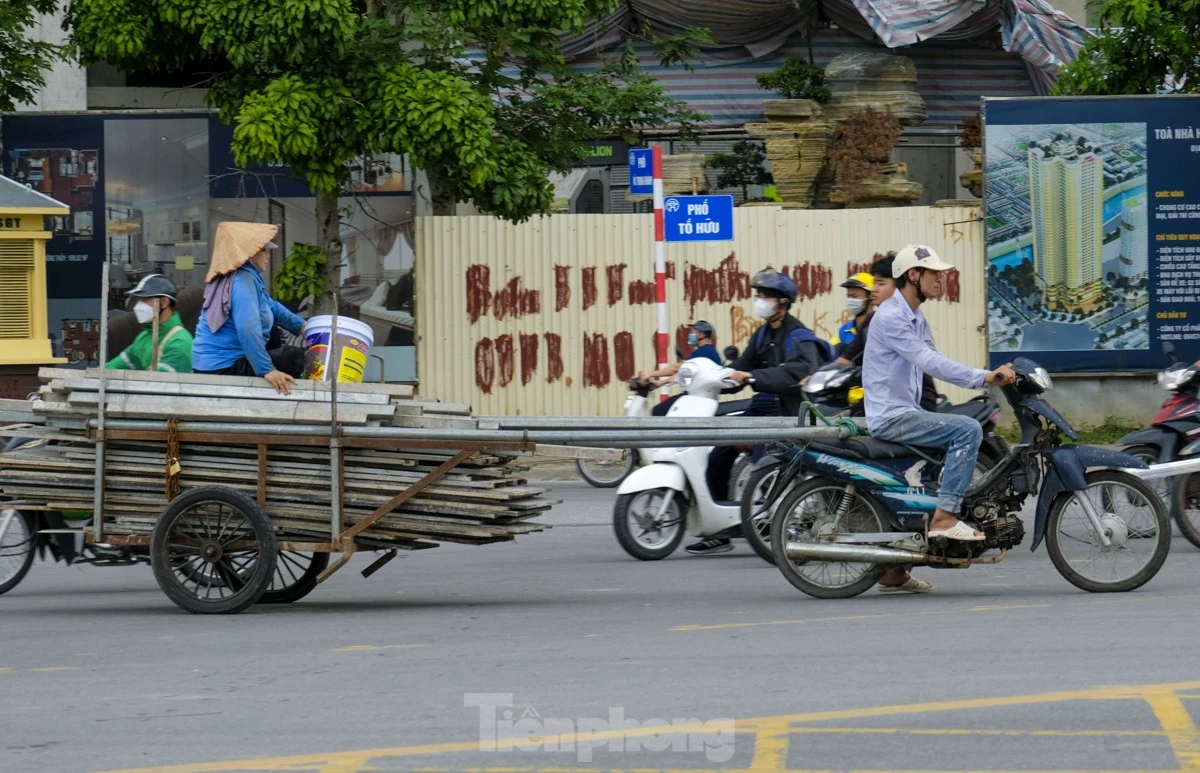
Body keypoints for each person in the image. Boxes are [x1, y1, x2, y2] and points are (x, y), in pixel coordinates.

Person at [863, 244, 1015, 593]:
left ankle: (893, 571)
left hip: (907, 411)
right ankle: (945, 517)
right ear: (913, 276)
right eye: (933, 274)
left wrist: (987, 376)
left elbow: (933, 358)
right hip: (892, 417)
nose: (940, 280)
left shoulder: (915, 316)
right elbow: (929, 363)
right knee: (967, 429)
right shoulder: (890, 317)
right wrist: (985, 376)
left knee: (927, 476)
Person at [690, 269, 833, 556]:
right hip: (762, 406)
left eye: (766, 296)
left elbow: (800, 372)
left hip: (789, 410)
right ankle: (721, 530)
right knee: (719, 454)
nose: (761, 301)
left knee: (764, 462)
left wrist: (753, 377)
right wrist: (715, 379)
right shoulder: (762, 334)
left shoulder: (799, 336)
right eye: (760, 296)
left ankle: (771, 523)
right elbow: (741, 367)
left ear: (782, 302)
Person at [192, 222, 308, 395]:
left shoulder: (243, 277)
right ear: (249, 254)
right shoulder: (242, 280)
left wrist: (303, 327)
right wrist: (267, 370)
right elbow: (248, 329)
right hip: (223, 368)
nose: (268, 255)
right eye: (263, 250)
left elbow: (272, 307)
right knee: (297, 357)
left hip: (210, 365)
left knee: (274, 332)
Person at [105, 274, 193, 373]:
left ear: (164, 302)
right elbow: (117, 365)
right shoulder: (145, 336)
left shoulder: (180, 341)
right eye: (138, 300)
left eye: (145, 300)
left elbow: (161, 382)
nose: (138, 306)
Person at [637, 321, 723, 416]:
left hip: (697, 397)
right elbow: (681, 371)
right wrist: (660, 383)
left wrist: (649, 374)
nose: (691, 335)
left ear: (701, 334)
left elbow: (677, 368)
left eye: (693, 332)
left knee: (659, 411)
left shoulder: (704, 352)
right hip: (699, 396)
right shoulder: (706, 351)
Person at [831, 272, 874, 360]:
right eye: (849, 296)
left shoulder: (878, 325)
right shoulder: (844, 330)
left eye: (854, 296)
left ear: (870, 297)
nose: (850, 301)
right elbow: (830, 354)